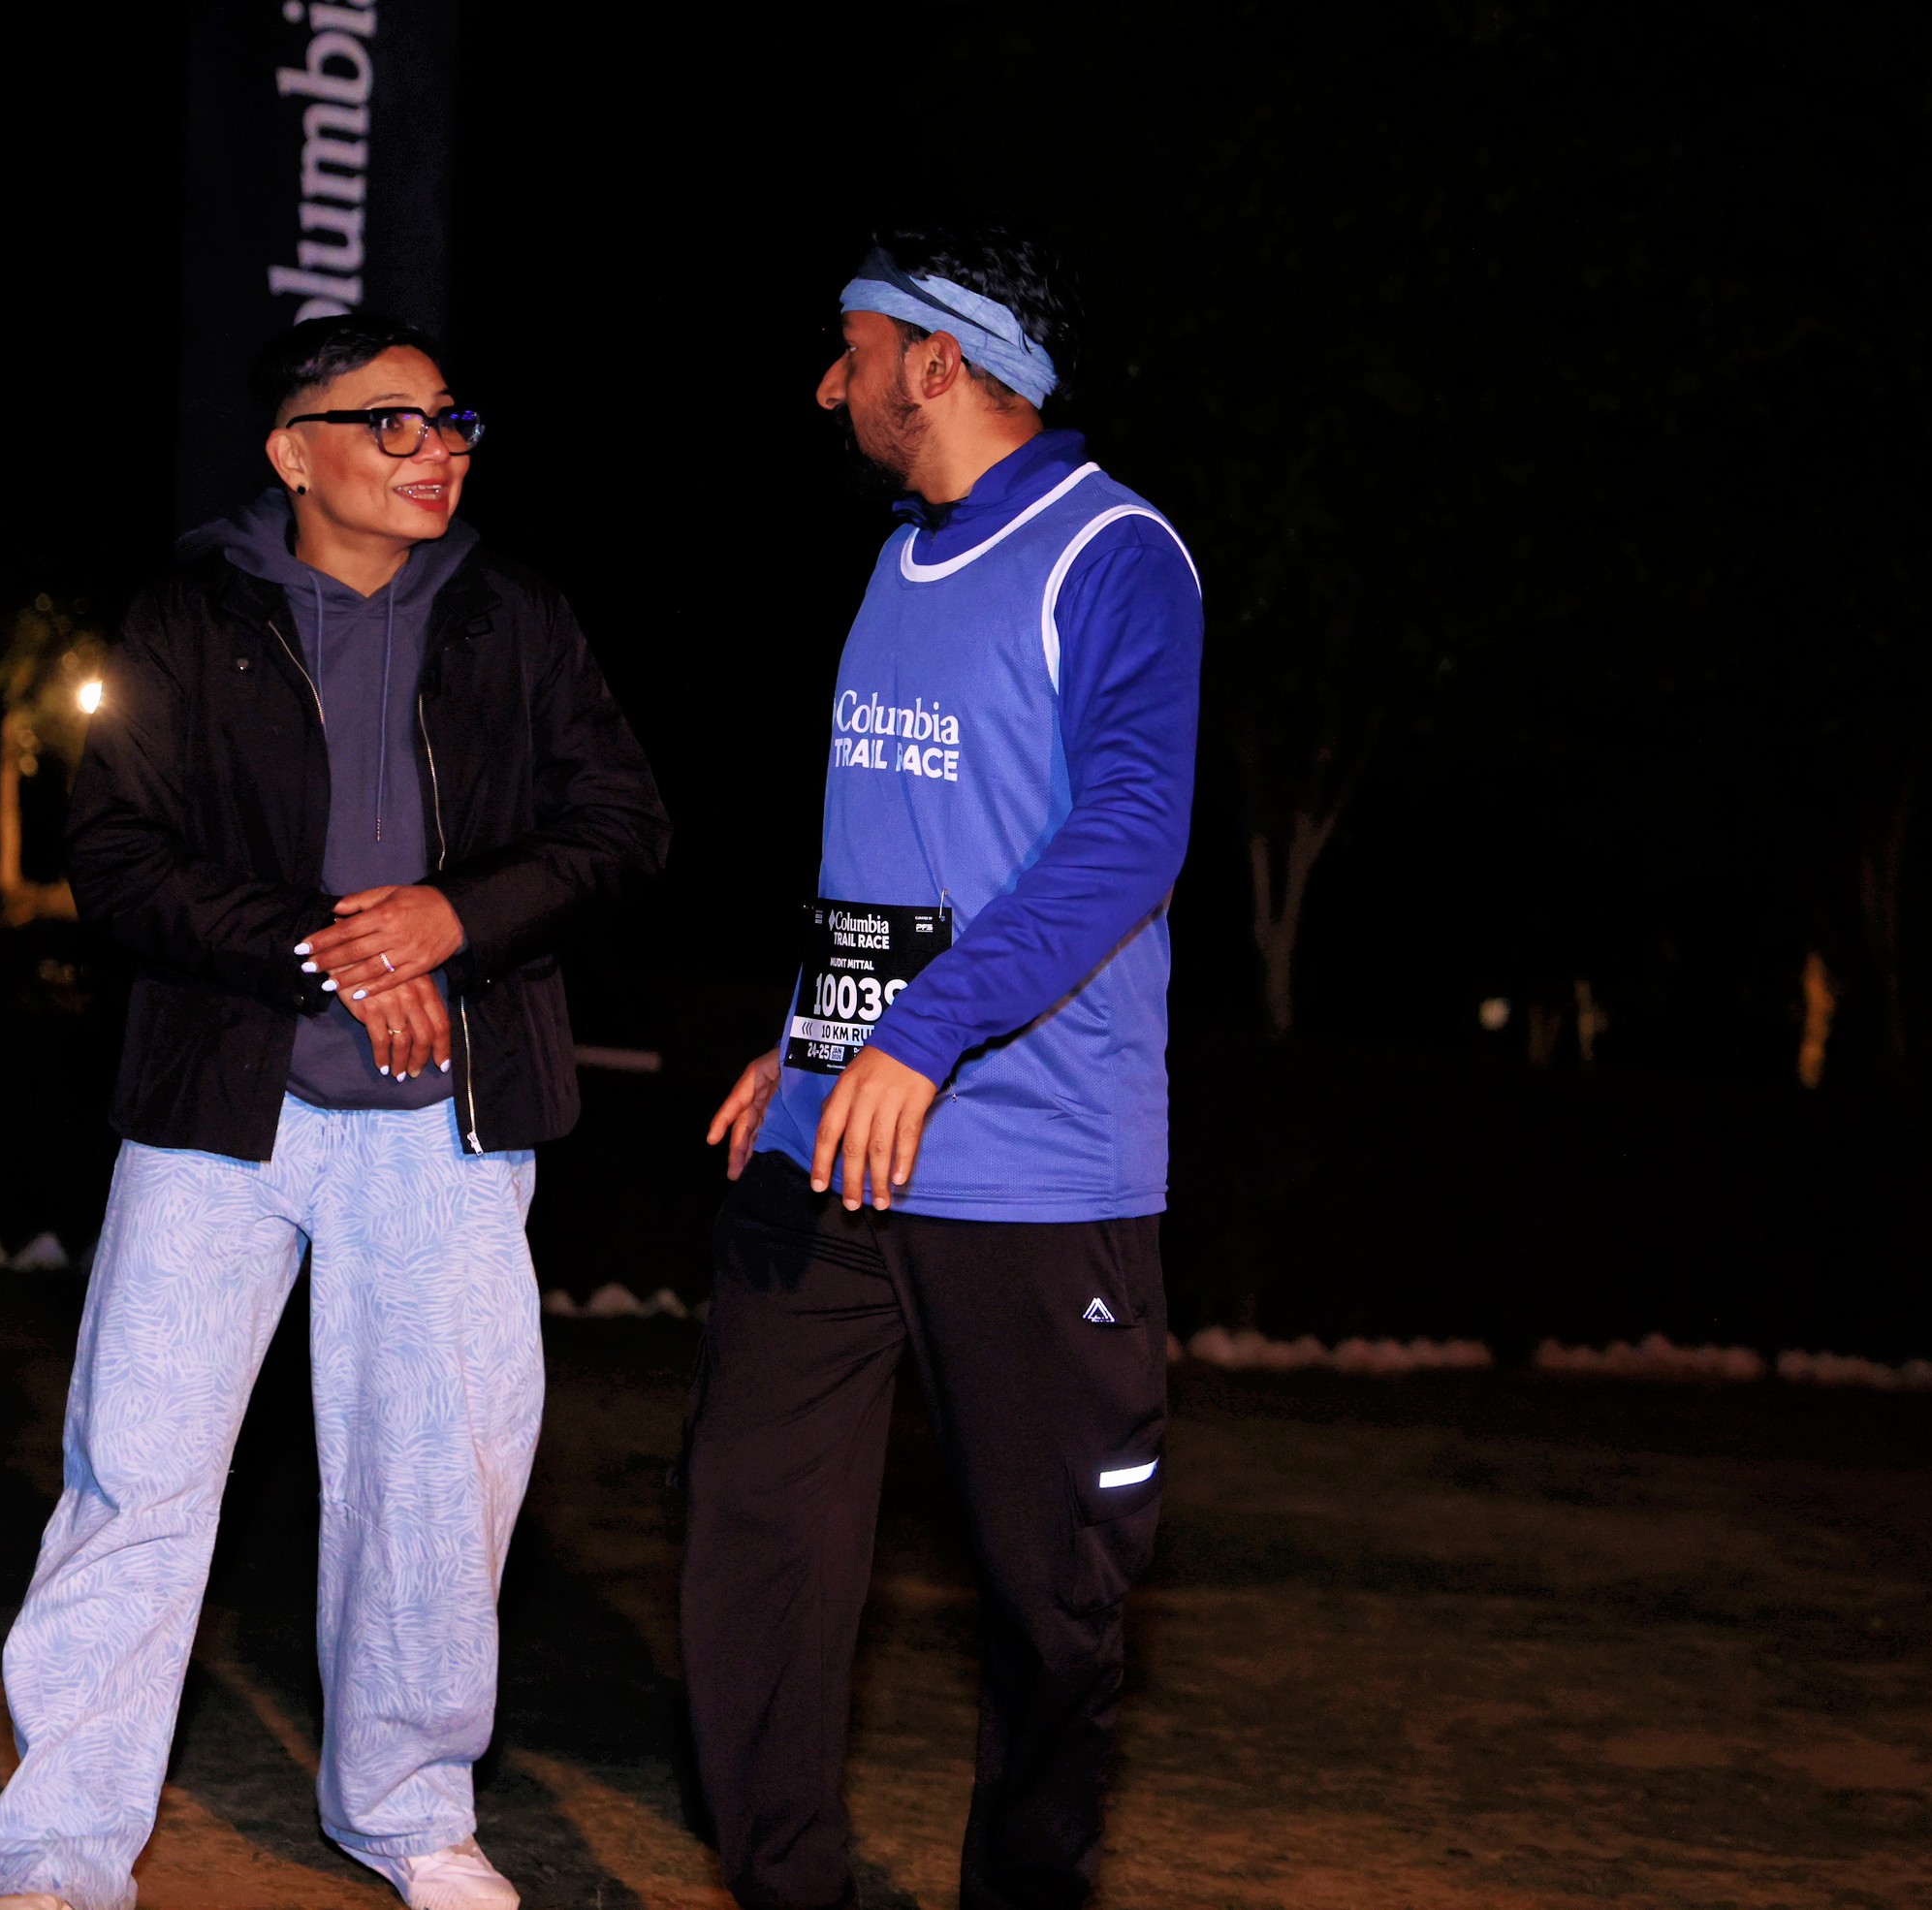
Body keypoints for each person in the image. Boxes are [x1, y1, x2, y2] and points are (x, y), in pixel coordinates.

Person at [0, 314, 668, 1910]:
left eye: (453, 420)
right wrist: (326, 949)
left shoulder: (513, 615)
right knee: (136, 1477)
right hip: (218, 1109)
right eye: (394, 422)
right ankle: (59, 1849)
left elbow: (623, 825)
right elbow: (118, 856)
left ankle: (410, 1814)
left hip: (450, 1118)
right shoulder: (187, 610)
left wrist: (453, 917)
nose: (439, 450)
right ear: (297, 452)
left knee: (436, 1484)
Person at [685, 229, 1203, 1910]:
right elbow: (893, 857)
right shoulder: (896, 564)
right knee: (753, 1542)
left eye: (851, 350)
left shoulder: (1114, 554)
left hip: (1032, 1171)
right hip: (833, 1147)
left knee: (1058, 1598)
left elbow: (1131, 833)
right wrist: (809, 1039)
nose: (826, 384)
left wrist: (920, 1035)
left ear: (938, 361)